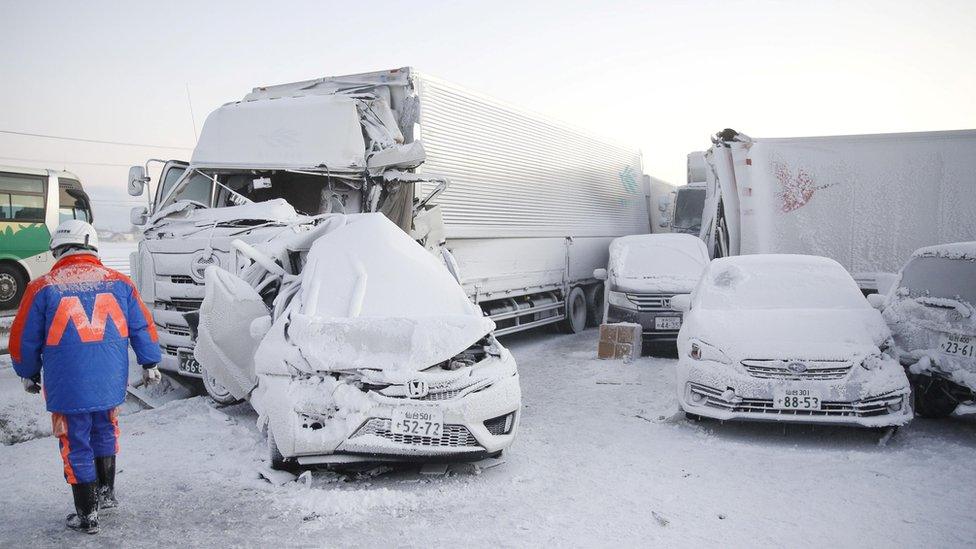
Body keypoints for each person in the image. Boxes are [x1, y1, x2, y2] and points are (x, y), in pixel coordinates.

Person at [10, 219, 162, 535]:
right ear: (91, 244)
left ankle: (87, 514)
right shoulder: (120, 283)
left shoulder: (42, 288)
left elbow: (24, 337)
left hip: (69, 388)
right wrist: (150, 362)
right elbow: (142, 327)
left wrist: (27, 372)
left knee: (76, 442)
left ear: (58, 250)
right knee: (106, 430)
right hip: (109, 384)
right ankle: (106, 495)